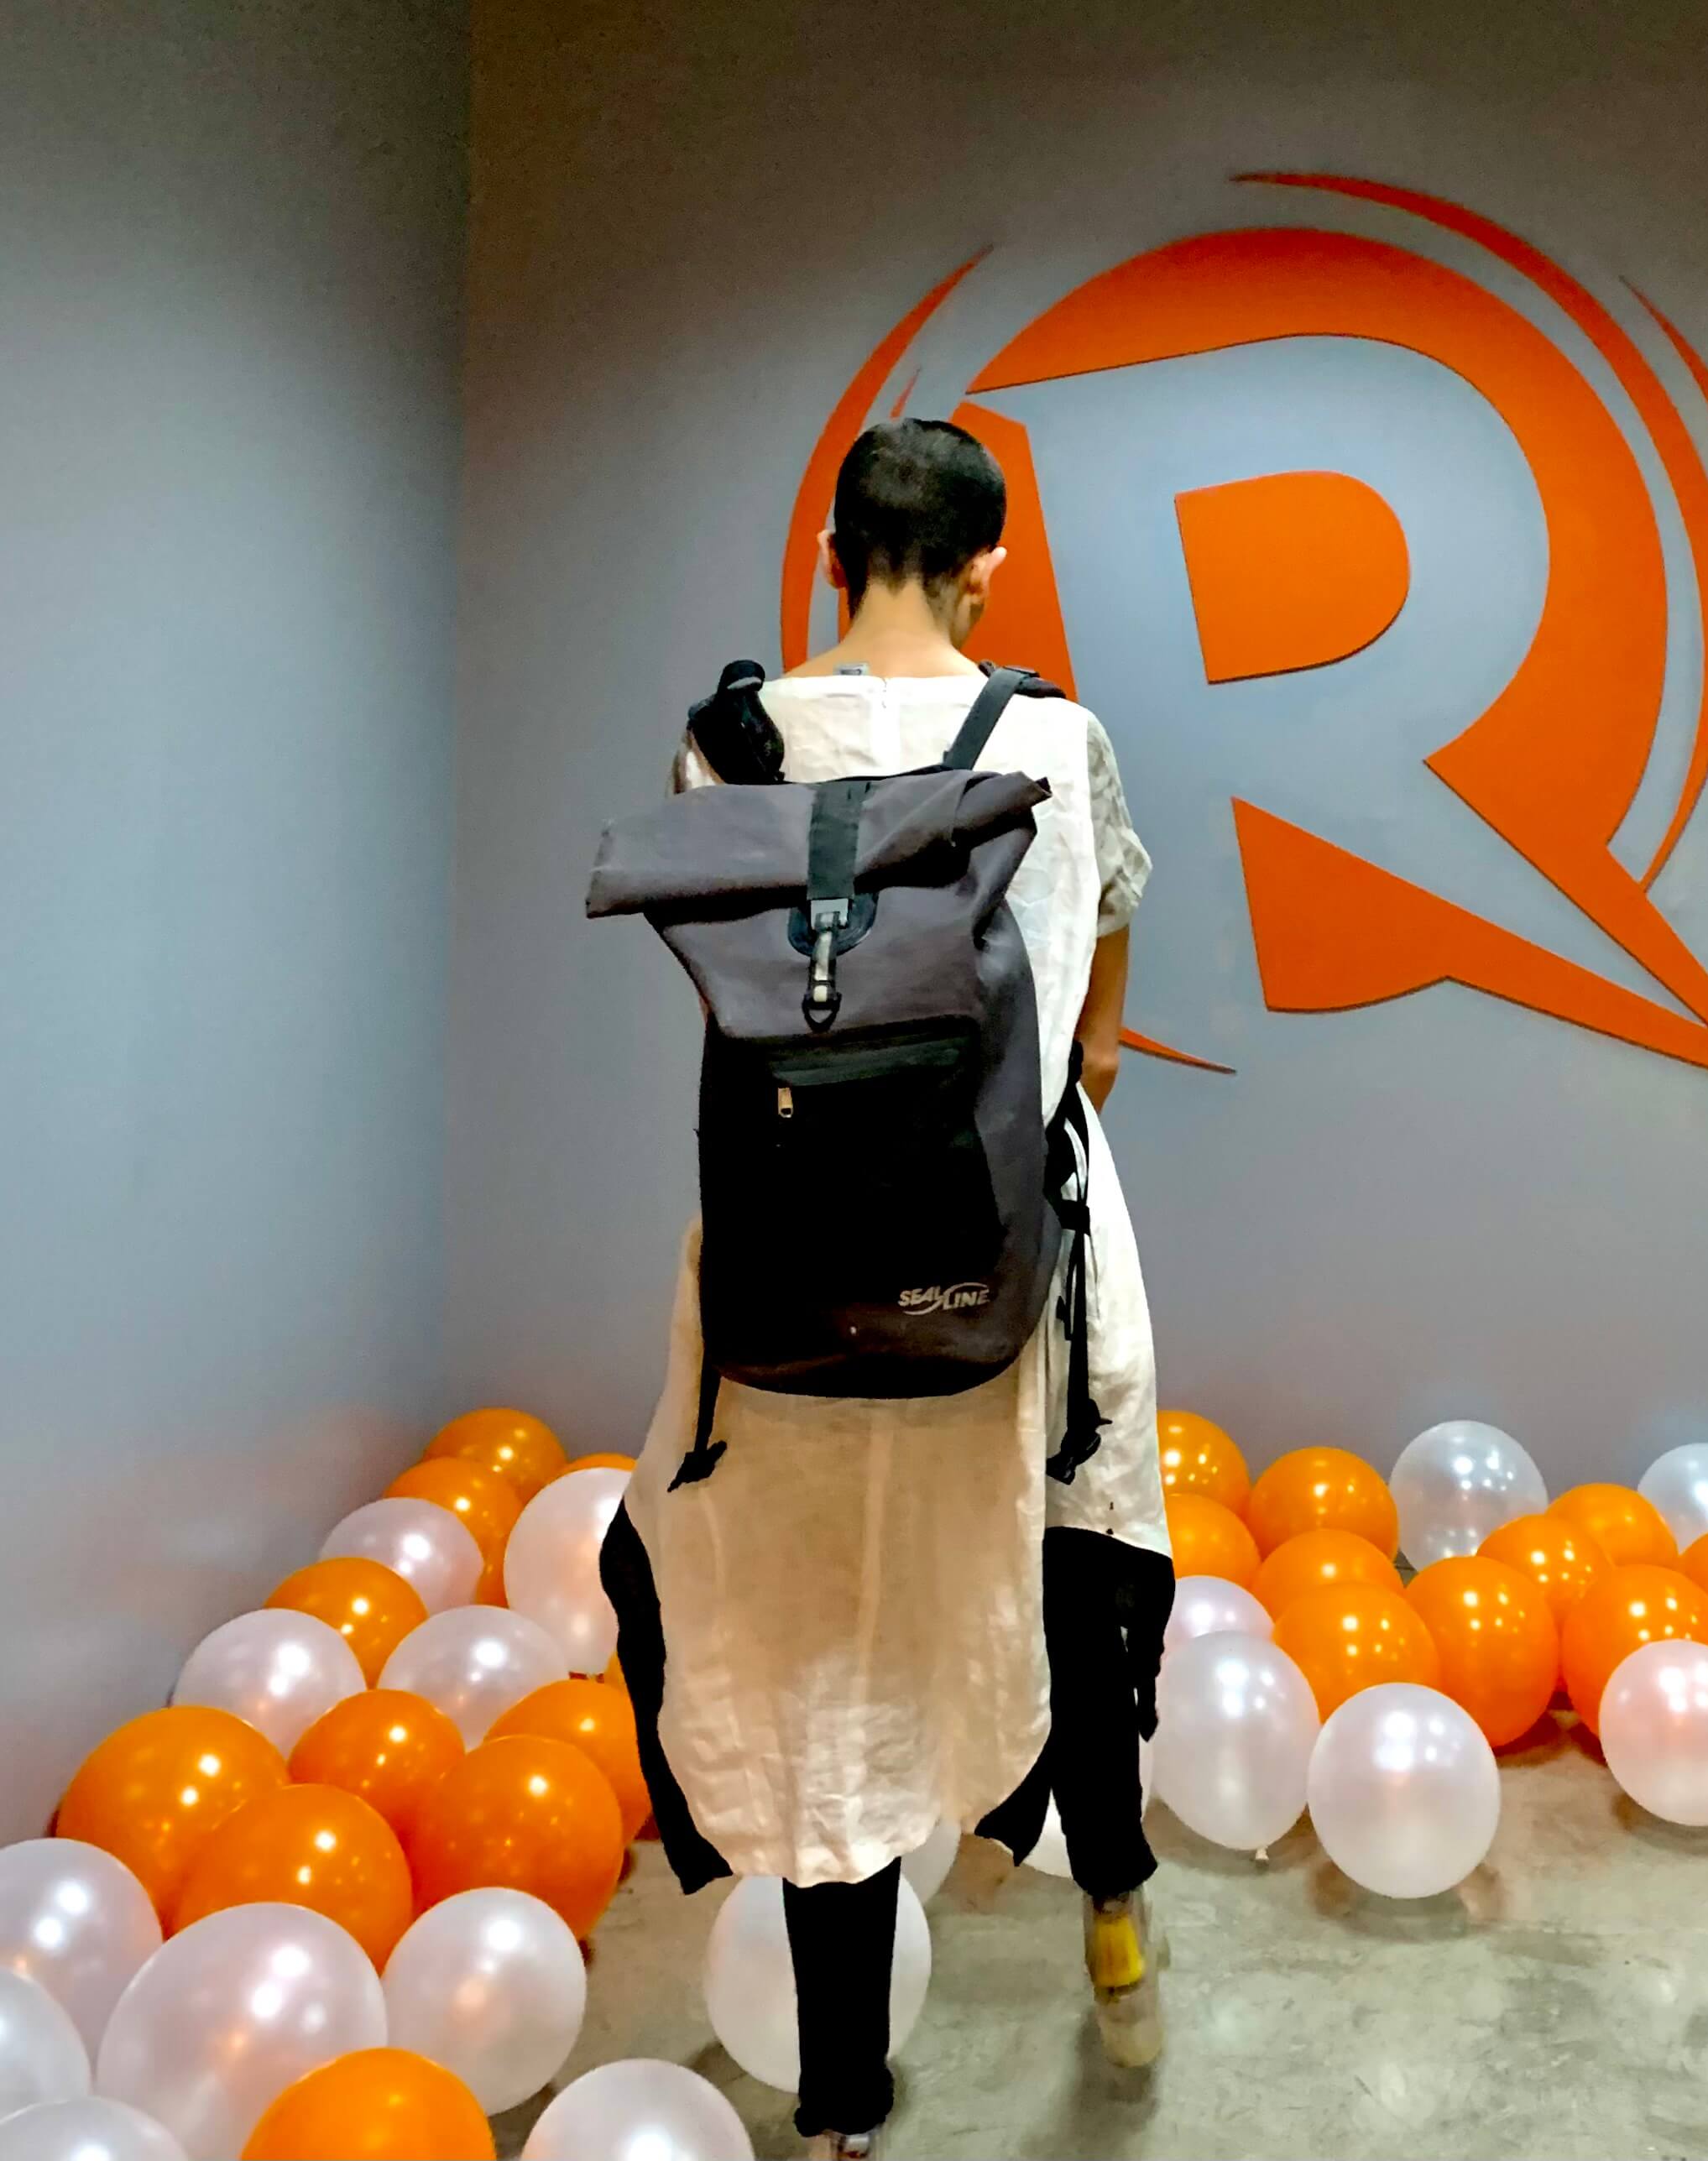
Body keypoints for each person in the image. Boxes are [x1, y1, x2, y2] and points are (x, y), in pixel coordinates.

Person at [600, 419, 1174, 2161]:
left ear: (835, 551)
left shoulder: (727, 744)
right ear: (985, 563)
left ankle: (840, 2100)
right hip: (1011, 1250)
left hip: (778, 1272)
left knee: (800, 1647)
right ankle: (1113, 1905)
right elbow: (1104, 1012)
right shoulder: (1060, 744)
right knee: (1073, 1554)